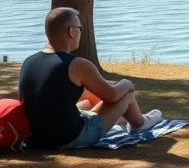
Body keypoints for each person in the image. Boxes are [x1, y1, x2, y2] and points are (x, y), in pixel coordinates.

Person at [17, 8, 161, 149]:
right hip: (67, 137)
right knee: (126, 95)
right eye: (80, 28)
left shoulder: (28, 62)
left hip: (36, 136)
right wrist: (127, 83)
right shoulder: (77, 64)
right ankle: (139, 124)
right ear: (71, 31)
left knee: (90, 98)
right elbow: (111, 96)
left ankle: (126, 119)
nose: (81, 32)